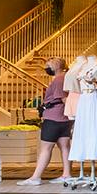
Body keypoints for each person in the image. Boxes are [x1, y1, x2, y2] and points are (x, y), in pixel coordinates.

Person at [18, 56, 72, 186]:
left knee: (46, 148)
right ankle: (67, 174)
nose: (46, 68)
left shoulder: (58, 80)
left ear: (56, 65)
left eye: (48, 65)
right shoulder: (66, 78)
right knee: (64, 147)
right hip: (64, 118)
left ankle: (35, 177)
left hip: (53, 117)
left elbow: (63, 98)